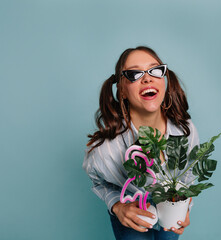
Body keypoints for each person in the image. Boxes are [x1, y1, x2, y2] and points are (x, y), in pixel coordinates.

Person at [83, 46, 200, 240]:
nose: (147, 78)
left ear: (164, 81)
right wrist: (117, 206)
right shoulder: (107, 149)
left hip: (170, 206)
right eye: (134, 74)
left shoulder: (185, 130)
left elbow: (189, 171)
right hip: (132, 210)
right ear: (121, 90)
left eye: (155, 70)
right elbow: (98, 181)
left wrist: (185, 204)